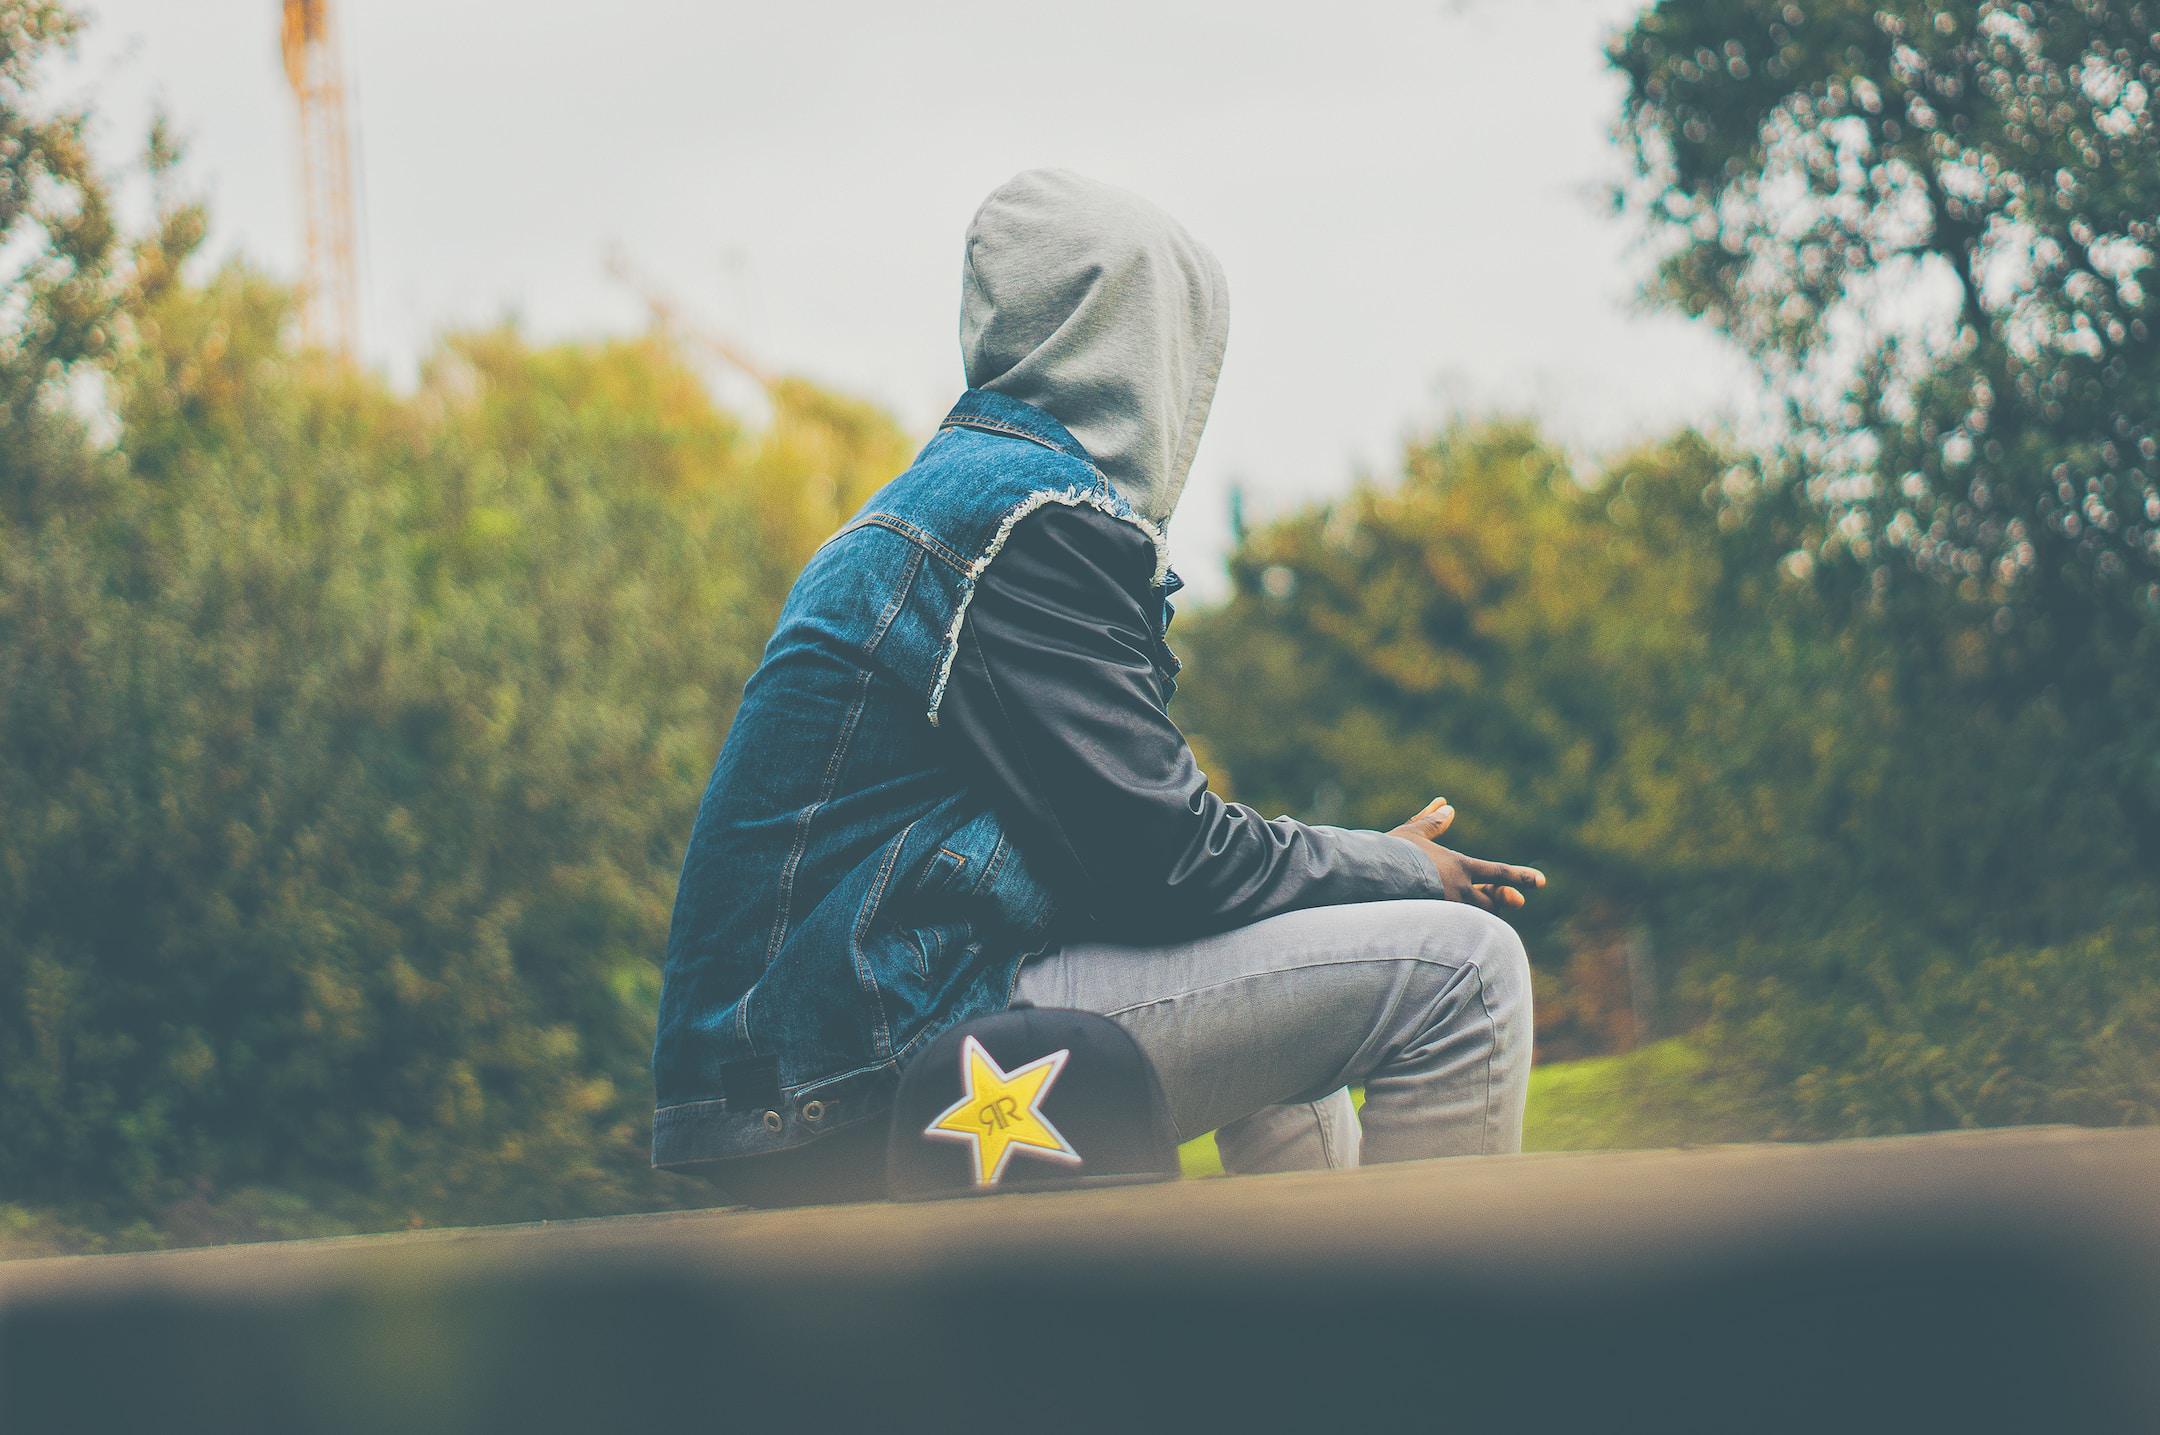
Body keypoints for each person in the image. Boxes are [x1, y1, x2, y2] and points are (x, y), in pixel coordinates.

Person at [650, 168, 1544, 1206]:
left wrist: (1330, 886)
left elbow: (1130, 861)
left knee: (1279, 953)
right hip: (882, 1057)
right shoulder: (1035, 523)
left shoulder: (951, 506)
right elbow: (1169, 860)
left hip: (812, 1059)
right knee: (1467, 974)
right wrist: (1390, 869)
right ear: (1143, 340)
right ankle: (1435, 1359)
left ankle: (1315, 1339)